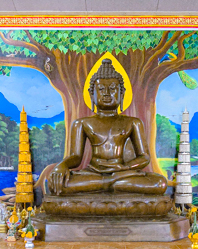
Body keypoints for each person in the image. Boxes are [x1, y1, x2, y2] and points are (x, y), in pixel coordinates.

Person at [47, 59, 167, 196]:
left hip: (122, 172)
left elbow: (144, 157)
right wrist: (61, 166)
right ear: (92, 94)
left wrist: (124, 167)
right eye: (101, 89)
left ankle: (106, 183)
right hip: (93, 173)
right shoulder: (81, 123)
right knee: (56, 184)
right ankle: (110, 183)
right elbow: (76, 157)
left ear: (122, 93)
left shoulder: (133, 122)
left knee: (159, 183)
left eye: (113, 89)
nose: (107, 93)